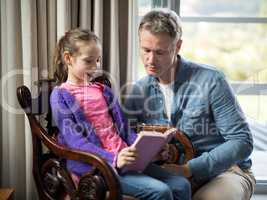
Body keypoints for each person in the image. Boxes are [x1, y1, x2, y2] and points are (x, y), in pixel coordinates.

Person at [124, 9, 256, 200]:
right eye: (146, 50)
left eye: (160, 52)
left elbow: (242, 141)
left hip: (225, 172)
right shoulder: (138, 91)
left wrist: (189, 169)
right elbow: (127, 140)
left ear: (177, 46)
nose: (150, 60)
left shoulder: (212, 80)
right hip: (169, 174)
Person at [50, 28, 191, 200]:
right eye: (88, 61)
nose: (95, 67)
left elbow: (124, 131)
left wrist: (148, 150)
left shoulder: (104, 91)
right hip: (99, 165)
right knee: (160, 192)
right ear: (68, 58)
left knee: (182, 185)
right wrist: (114, 159)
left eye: (98, 60)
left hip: (126, 158)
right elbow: (75, 141)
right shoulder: (60, 95)